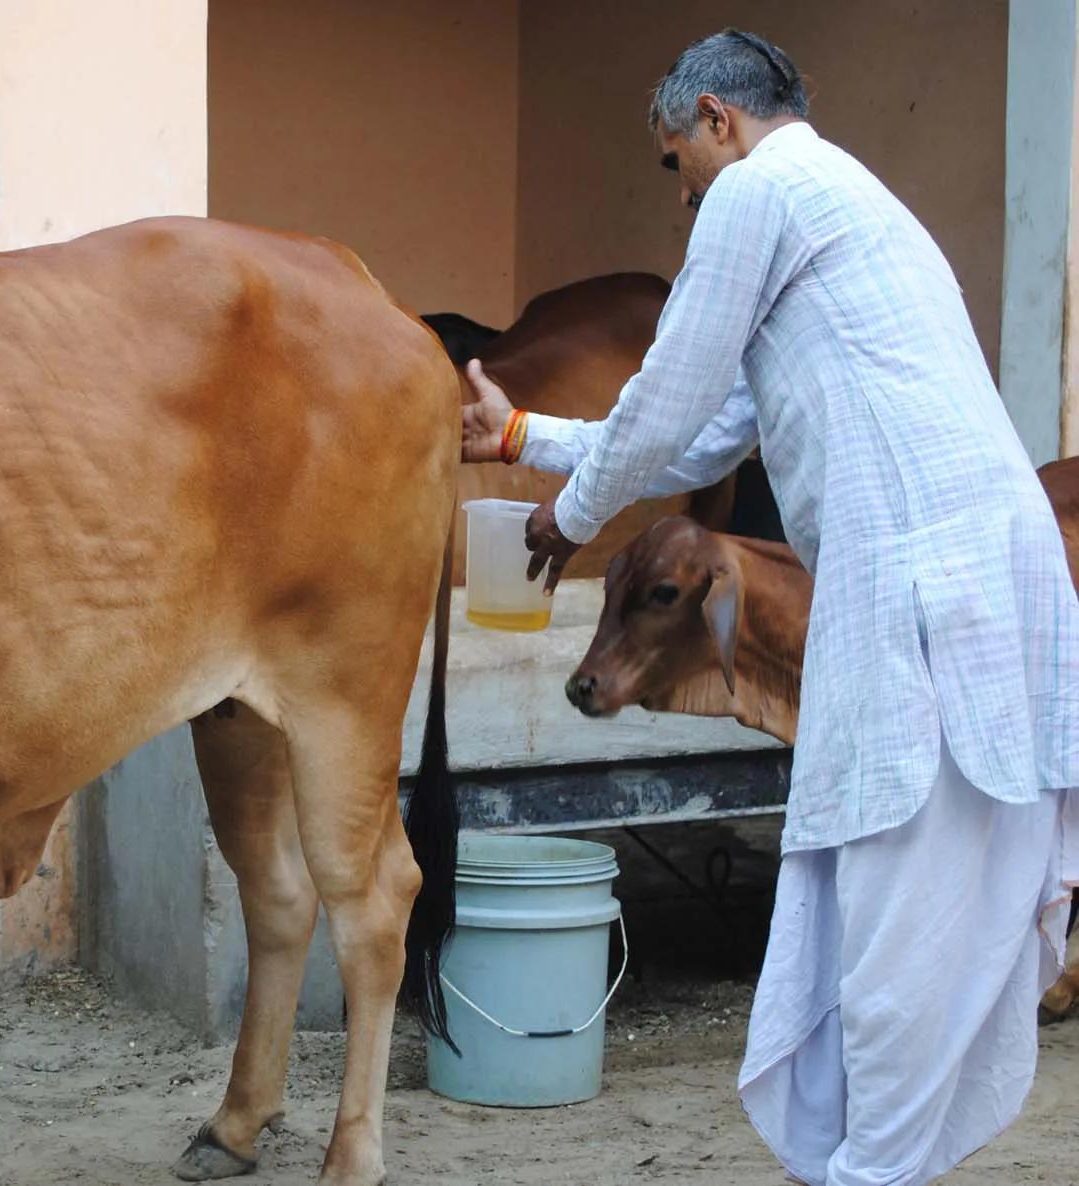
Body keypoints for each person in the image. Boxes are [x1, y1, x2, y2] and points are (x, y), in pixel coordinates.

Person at [461, 28, 1079, 1186]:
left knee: (899, 911)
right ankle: (858, 1161)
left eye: (673, 161)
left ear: (713, 119)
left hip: (925, 584)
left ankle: (867, 1169)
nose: (681, 194)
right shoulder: (844, 201)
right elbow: (700, 428)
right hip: (969, 577)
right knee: (884, 902)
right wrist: (518, 438)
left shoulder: (762, 190)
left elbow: (660, 404)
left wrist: (561, 518)